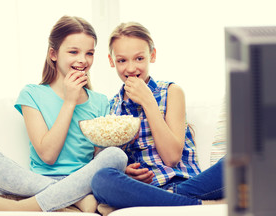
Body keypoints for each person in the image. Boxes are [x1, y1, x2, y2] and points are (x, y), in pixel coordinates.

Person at [0, 15, 128, 212]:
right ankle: (74, 200)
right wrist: (69, 101)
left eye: (89, 53)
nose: (82, 60)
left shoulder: (100, 101)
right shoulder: (32, 94)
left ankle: (26, 206)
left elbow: (99, 161)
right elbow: (48, 155)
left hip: (82, 180)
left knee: (116, 156)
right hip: (39, 181)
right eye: (73, 52)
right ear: (53, 54)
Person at [91, 22, 224, 209]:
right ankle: (190, 205)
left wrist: (148, 101)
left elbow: (171, 158)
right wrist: (125, 173)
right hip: (144, 189)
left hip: (187, 185)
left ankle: (172, 199)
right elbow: (108, 161)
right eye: (122, 60)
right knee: (101, 179)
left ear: (152, 56)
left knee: (242, 160)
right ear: (111, 61)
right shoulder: (111, 108)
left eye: (139, 58)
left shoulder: (171, 92)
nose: (131, 68)